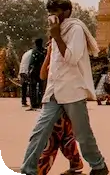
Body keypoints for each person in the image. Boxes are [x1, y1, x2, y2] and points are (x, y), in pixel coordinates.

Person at [19, 0, 109, 175]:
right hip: (54, 91)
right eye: (50, 12)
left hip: (72, 90)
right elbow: (54, 65)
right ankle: (27, 170)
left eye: (56, 12)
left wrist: (57, 36)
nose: (52, 15)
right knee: (39, 132)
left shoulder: (75, 29)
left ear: (66, 12)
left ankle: (98, 165)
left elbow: (72, 58)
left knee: (82, 134)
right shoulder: (56, 31)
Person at [36, 40, 84, 175]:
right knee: (65, 137)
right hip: (55, 103)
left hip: (63, 103)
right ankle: (76, 163)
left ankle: (40, 170)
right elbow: (42, 75)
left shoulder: (66, 60)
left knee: (52, 138)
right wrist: (49, 55)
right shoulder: (53, 60)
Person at [28, 38, 46, 110]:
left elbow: (32, 62)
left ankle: (34, 104)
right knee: (41, 88)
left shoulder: (35, 51)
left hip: (34, 72)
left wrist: (29, 70)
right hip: (42, 71)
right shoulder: (45, 51)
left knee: (33, 88)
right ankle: (40, 103)